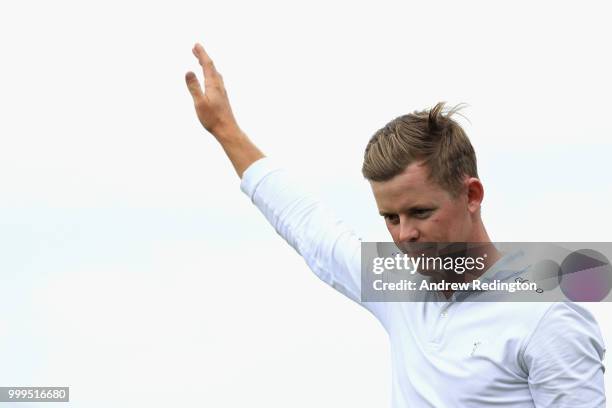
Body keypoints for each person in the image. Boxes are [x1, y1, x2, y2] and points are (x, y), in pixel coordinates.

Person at [185, 42, 606, 407]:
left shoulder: (548, 315)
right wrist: (225, 130)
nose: (405, 235)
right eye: (391, 218)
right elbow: (313, 230)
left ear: (472, 195)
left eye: (420, 213)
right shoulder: (399, 283)